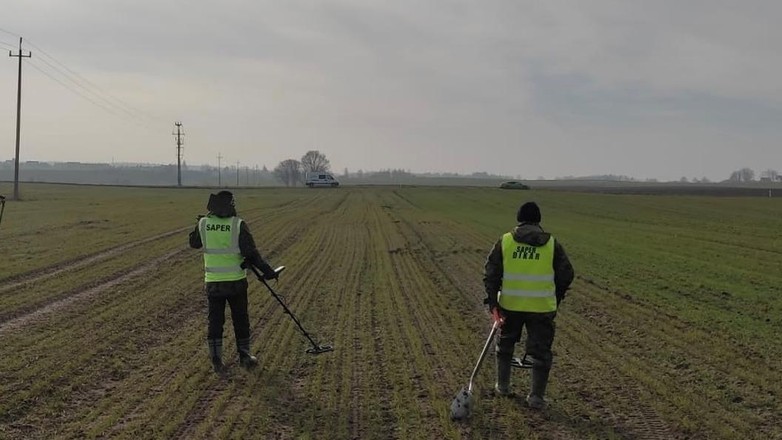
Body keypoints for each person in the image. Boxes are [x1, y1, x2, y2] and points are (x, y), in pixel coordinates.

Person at [483, 201, 574, 409]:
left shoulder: (505, 241)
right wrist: (555, 296)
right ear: (538, 220)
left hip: (510, 306)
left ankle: (502, 386)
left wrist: (493, 303)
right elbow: (567, 274)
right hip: (542, 309)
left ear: (519, 219)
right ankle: (536, 397)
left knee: (505, 345)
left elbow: (491, 274)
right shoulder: (552, 244)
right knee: (541, 353)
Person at [189, 191, 278, 373]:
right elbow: (251, 254)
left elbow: (194, 243)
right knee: (240, 319)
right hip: (236, 282)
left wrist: (198, 223)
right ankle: (245, 356)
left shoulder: (204, 223)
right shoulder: (238, 225)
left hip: (213, 283)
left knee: (215, 321)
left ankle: (216, 360)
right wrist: (268, 272)